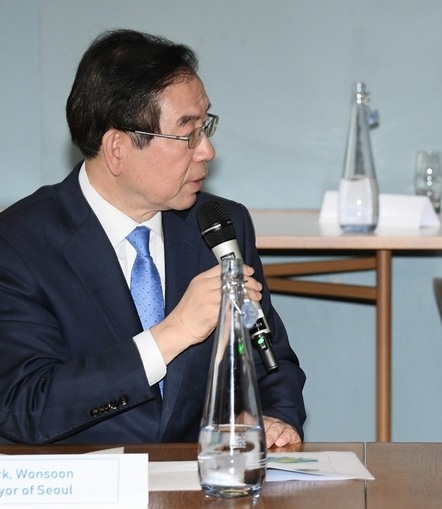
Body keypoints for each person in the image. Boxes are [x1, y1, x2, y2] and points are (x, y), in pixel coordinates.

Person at [0, 29, 306, 446]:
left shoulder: (218, 225)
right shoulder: (20, 243)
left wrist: (274, 418)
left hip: (202, 486)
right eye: (188, 133)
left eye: (206, 125)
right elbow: (25, 406)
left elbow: (270, 361)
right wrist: (171, 334)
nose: (207, 151)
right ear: (117, 148)